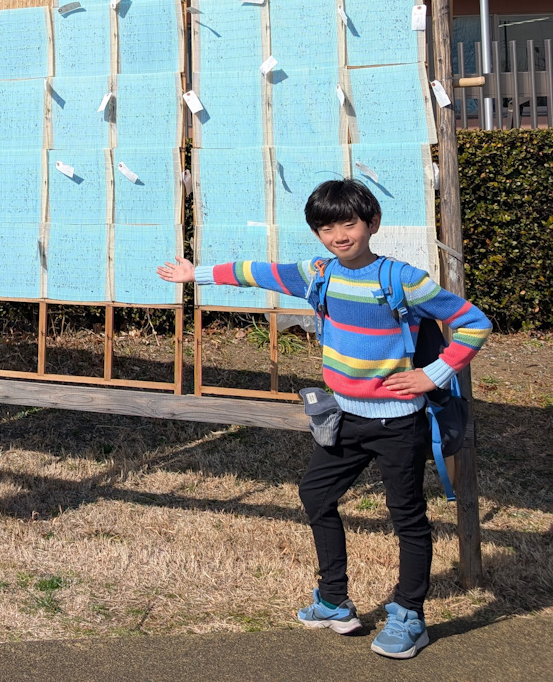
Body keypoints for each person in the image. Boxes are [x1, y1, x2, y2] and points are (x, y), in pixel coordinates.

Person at [157, 178, 490, 660]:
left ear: (372, 223)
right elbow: (260, 272)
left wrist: (432, 376)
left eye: (348, 223)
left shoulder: (402, 279)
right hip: (345, 418)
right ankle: (334, 600)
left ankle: (409, 615)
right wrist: (199, 274)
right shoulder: (319, 273)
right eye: (326, 227)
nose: (338, 235)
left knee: (407, 518)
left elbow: (474, 321)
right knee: (315, 493)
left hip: (398, 422)